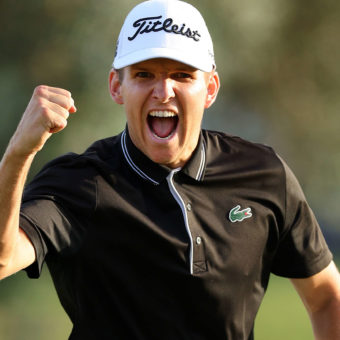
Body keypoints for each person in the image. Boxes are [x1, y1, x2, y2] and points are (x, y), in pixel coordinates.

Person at [1, 0, 340, 339]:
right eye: (144, 75)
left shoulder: (263, 175)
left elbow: (327, 297)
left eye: (182, 75)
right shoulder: (78, 183)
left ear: (209, 89)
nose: (163, 92)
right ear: (117, 87)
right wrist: (18, 153)